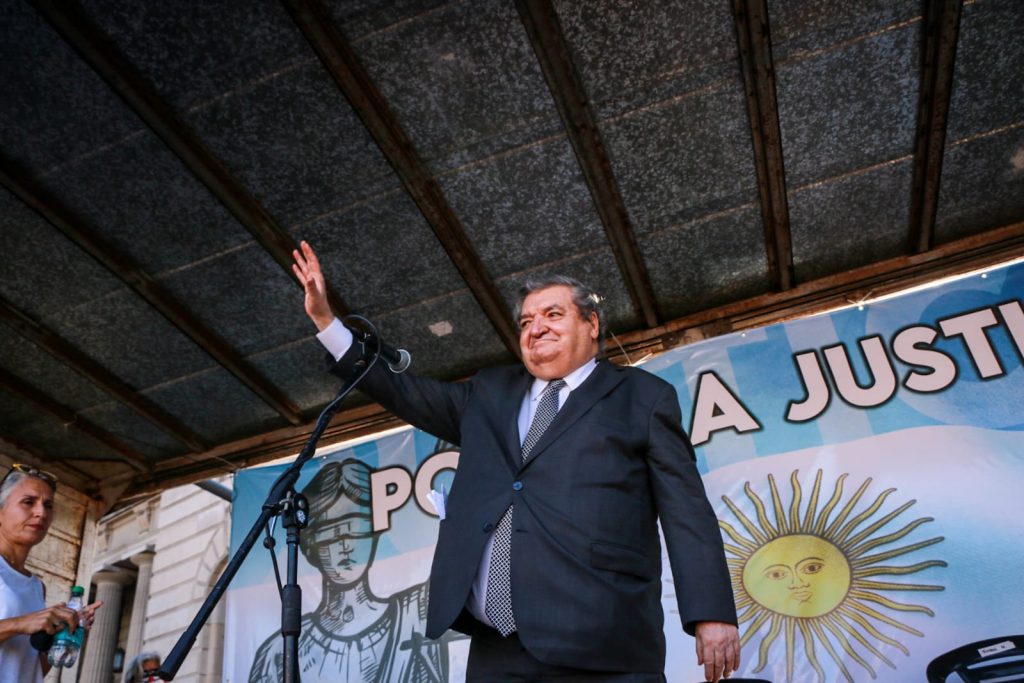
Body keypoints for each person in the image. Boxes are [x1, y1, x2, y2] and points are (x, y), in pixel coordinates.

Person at [292, 241, 740, 682]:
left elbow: (686, 510)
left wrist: (711, 613)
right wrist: (328, 323)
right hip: (497, 649)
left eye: (552, 314)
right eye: (526, 320)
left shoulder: (642, 398)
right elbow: (405, 391)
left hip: (603, 640)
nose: (536, 327)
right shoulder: (490, 392)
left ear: (592, 324)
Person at [249, 458, 449, 682]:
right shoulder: (277, 653)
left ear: (374, 535)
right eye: (330, 532)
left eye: (356, 527)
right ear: (310, 546)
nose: (345, 545)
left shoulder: (413, 616)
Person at [0, 464, 102, 683]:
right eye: (28, 502)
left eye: (48, 505)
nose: (41, 512)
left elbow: (31, 670)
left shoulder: (37, 586)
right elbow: (24, 624)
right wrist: (20, 623)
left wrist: (66, 636)